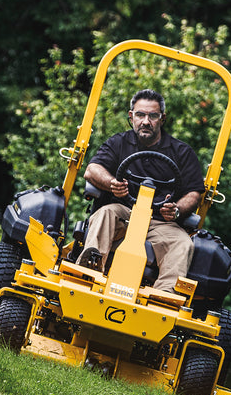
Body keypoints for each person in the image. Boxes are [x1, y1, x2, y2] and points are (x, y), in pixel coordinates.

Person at [78, 88, 205, 292]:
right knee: (105, 213)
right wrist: (113, 184)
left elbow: (194, 193)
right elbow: (92, 169)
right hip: (123, 213)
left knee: (183, 242)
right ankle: (89, 272)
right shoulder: (119, 143)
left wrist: (177, 209)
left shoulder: (181, 152)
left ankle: (163, 296)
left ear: (162, 118)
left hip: (160, 222)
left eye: (152, 116)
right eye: (140, 115)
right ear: (131, 116)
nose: (146, 121)